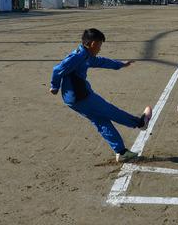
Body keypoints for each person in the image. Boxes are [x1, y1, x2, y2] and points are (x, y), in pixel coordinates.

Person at [50, 28, 152, 163]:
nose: (99, 49)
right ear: (92, 44)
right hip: (80, 97)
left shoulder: (86, 55)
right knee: (110, 111)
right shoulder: (78, 57)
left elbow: (101, 61)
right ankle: (140, 123)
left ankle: (121, 152)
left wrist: (120, 64)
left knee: (101, 121)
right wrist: (54, 86)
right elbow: (57, 70)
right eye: (99, 45)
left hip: (76, 98)